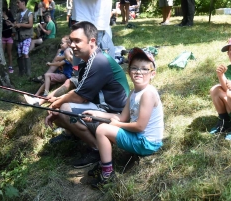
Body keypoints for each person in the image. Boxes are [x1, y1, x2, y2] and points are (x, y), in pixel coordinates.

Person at [44, 21, 130, 168]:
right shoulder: (89, 60)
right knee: (60, 110)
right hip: (103, 109)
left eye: (77, 41)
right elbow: (78, 89)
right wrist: (56, 101)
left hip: (116, 115)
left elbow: (79, 97)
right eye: (71, 41)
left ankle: (97, 149)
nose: (72, 45)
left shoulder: (99, 61)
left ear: (92, 41)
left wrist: (56, 103)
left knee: (64, 109)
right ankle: (75, 135)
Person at [83, 47, 164, 189]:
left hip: (147, 143)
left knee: (102, 130)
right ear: (129, 72)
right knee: (103, 125)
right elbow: (122, 117)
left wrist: (116, 125)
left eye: (144, 69)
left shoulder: (148, 93)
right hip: (139, 138)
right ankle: (104, 163)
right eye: (134, 68)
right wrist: (96, 114)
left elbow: (140, 126)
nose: (139, 72)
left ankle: (107, 173)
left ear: (153, 74)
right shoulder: (134, 92)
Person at [13, 0, 34, 76]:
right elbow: (15, 24)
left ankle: (28, 73)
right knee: (19, 54)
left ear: (23, 2)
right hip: (19, 37)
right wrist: (13, 24)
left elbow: (30, 24)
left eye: (18, 2)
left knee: (25, 53)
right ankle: (21, 72)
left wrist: (20, 25)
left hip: (26, 36)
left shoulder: (29, 13)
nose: (17, 4)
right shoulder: (18, 14)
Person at [2, 7, 15, 74]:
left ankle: (10, 67)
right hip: (3, 38)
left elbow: (14, 24)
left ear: (4, 12)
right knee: (2, 53)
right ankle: (2, 66)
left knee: (9, 53)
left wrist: (8, 21)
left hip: (9, 37)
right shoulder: (1, 20)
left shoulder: (10, 18)